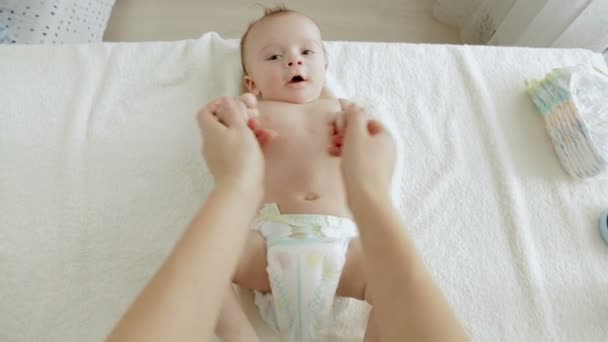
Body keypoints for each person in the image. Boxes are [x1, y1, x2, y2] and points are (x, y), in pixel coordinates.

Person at [108, 6, 468, 342]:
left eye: (307, 52)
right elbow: (230, 133)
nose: (293, 59)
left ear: (326, 68)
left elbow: (372, 140)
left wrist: (356, 124)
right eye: (274, 56)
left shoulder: (340, 108)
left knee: (392, 286)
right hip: (268, 243)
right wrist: (235, 115)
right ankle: (241, 336)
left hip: (342, 246)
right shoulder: (256, 109)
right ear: (252, 83)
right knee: (209, 265)